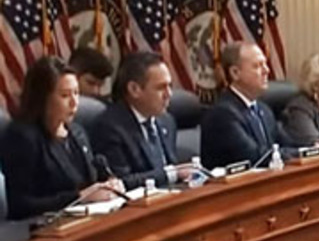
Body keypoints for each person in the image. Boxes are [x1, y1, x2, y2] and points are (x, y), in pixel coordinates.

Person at [0, 57, 124, 220]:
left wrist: (109, 184)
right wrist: (79, 197)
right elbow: (20, 205)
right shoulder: (22, 137)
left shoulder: (77, 132)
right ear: (42, 97)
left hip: (87, 220)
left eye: (76, 93)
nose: (74, 102)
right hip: (43, 227)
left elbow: (91, 182)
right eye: (65, 95)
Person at [92, 52, 190, 190]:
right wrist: (173, 173)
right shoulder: (110, 128)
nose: (169, 94)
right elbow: (121, 182)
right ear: (134, 89)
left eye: (170, 86)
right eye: (161, 88)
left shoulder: (167, 121)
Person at [201, 42, 294, 169]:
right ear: (235, 73)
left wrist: (313, 148)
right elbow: (255, 157)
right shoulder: (222, 115)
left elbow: (287, 145)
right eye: (257, 66)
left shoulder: (264, 110)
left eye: (265, 64)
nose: (266, 70)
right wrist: (294, 154)